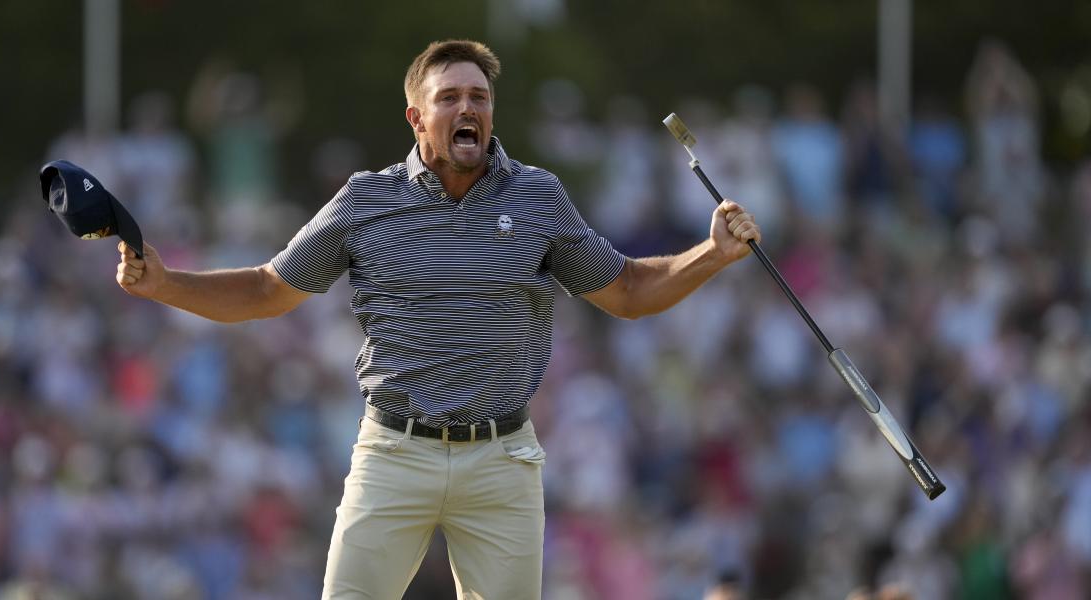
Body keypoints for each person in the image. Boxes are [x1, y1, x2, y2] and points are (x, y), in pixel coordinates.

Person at [115, 39, 761, 599]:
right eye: (449, 97)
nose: (468, 108)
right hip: (395, 451)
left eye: (479, 97)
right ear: (416, 118)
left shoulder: (537, 197)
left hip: (503, 458)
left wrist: (714, 254)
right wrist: (165, 283)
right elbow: (265, 290)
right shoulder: (365, 202)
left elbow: (625, 290)